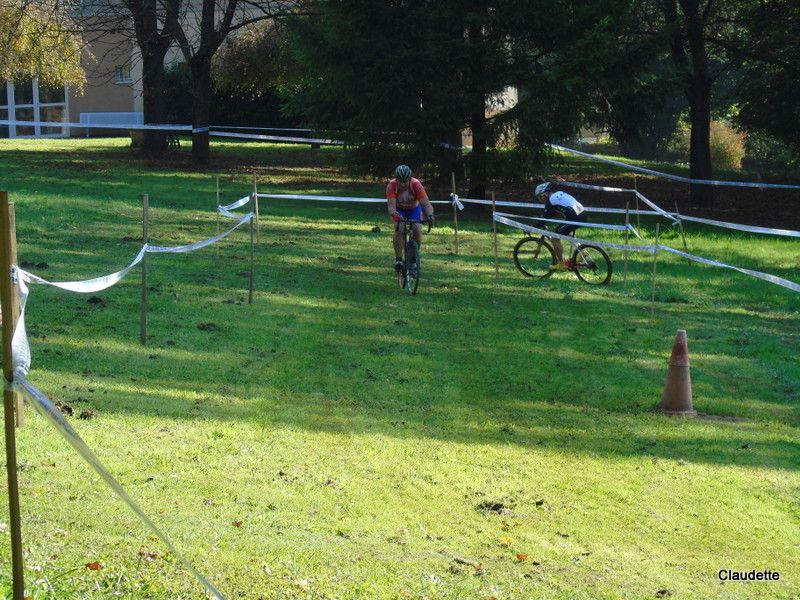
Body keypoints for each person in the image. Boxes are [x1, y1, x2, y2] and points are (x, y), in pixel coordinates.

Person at [386, 164, 435, 272]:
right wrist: (395, 214)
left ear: (410, 179)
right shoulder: (391, 186)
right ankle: (398, 259)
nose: (403, 184)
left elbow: (426, 204)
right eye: (400, 181)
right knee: (400, 229)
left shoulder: (416, 185)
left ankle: (413, 260)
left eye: (405, 181)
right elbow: (391, 207)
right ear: (396, 179)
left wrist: (430, 215)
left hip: (414, 209)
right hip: (399, 210)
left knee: (417, 229)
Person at [534, 182, 587, 269]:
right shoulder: (558, 194)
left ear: (545, 194)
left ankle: (562, 264)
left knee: (554, 238)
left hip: (574, 219)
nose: (540, 199)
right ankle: (582, 251)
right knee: (562, 230)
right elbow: (554, 212)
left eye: (540, 196)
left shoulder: (550, 201)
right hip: (582, 215)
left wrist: (531, 227)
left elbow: (543, 220)